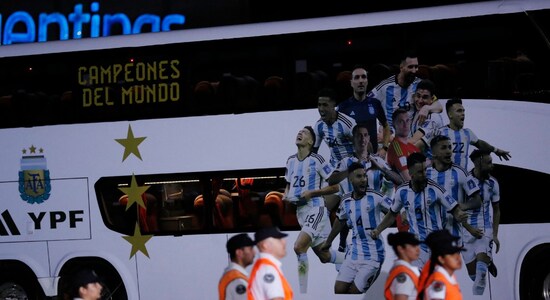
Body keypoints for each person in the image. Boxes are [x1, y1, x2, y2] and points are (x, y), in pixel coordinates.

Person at [371, 152, 467, 267]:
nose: (425, 174)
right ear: (411, 172)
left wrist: (460, 214)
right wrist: (378, 230)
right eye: (420, 172)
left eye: (425, 170)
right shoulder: (402, 192)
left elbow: (455, 209)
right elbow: (392, 214)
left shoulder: (435, 189)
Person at [283, 126, 344, 293]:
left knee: (298, 247)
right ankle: (353, 260)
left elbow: (336, 187)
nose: (300, 133)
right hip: (300, 212)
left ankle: (302, 292)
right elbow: (288, 185)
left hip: (315, 208)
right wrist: (286, 195)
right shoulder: (290, 161)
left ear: (311, 141)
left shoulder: (317, 160)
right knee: (324, 256)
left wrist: (312, 193)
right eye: (299, 131)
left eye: (304, 132)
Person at [327, 124, 403, 252]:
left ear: (368, 139)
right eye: (359, 136)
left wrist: (381, 168)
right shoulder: (346, 162)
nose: (362, 139)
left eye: (365, 135)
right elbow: (331, 181)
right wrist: (351, 170)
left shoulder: (378, 161)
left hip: (373, 217)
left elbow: (399, 181)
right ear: (353, 139)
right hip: (351, 219)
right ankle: (341, 245)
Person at [321, 162, 393, 294]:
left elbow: (394, 211)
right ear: (350, 179)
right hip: (354, 254)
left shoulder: (376, 196)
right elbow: (340, 220)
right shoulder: (346, 200)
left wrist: (379, 229)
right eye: (359, 176)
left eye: (365, 176)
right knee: (339, 290)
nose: (363, 180)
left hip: (373, 255)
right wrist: (328, 242)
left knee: (354, 294)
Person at [368, 50, 442, 131]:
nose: (414, 70)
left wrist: (427, 108)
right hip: (388, 135)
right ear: (401, 67)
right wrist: (379, 123)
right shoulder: (385, 86)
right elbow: (366, 103)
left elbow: (438, 106)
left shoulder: (419, 84)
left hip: (409, 135)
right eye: (410, 67)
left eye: (416, 67)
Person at [426, 135, 482, 241]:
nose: (448, 151)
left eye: (449, 147)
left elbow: (477, 201)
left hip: (453, 235)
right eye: (443, 148)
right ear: (433, 153)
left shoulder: (460, 173)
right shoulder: (426, 174)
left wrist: (461, 206)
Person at [463, 149, 501, 295]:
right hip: (467, 232)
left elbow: (497, 209)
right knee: (473, 276)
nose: (492, 166)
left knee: (480, 280)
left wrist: (495, 235)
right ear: (479, 163)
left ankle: (485, 259)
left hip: (485, 230)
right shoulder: (465, 181)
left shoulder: (493, 183)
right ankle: (488, 261)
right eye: (489, 163)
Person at [437, 97, 511, 170]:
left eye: (463, 111)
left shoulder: (467, 133)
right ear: (450, 114)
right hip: (444, 178)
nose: (463, 113)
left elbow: (479, 143)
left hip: (462, 179)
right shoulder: (440, 132)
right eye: (459, 111)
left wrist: (496, 150)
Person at [337, 65, 391, 156]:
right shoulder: (343, 107)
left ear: (367, 81)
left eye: (363, 77)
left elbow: (386, 126)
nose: (361, 81)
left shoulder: (375, 103)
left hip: (373, 157)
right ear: (351, 83)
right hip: (353, 158)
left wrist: (384, 148)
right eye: (357, 78)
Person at [386, 108, 419, 232]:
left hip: (421, 206)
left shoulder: (413, 148)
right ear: (394, 124)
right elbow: (409, 180)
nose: (405, 125)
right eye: (401, 121)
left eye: (407, 121)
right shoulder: (395, 147)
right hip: (407, 205)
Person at [312, 87, 356, 167]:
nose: (321, 109)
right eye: (319, 105)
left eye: (325, 105)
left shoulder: (347, 123)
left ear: (333, 105)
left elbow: (363, 148)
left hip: (352, 168)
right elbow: (314, 151)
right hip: (334, 168)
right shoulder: (319, 126)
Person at [247, 227, 293, 300]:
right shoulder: (268, 270)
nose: (284, 242)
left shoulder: (264, 267)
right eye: (279, 239)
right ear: (265, 245)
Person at [418, 230, 465, 300]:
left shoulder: (445, 277)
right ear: (441, 259)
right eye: (452, 254)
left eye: (457, 252)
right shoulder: (438, 281)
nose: (458, 257)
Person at [408, 79, 444, 159]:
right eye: (418, 96)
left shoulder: (433, 117)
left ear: (432, 99)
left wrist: (389, 138)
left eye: (425, 97)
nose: (420, 101)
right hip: (419, 161)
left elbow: (414, 141)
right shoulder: (416, 111)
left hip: (430, 166)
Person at [384, 232, 421, 300]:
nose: (418, 249)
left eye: (417, 245)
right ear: (400, 249)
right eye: (413, 246)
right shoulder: (404, 274)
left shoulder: (404, 270)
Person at [219, 233, 256, 300]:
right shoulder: (237, 281)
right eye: (250, 249)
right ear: (239, 252)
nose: (254, 252)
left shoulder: (233, 276)